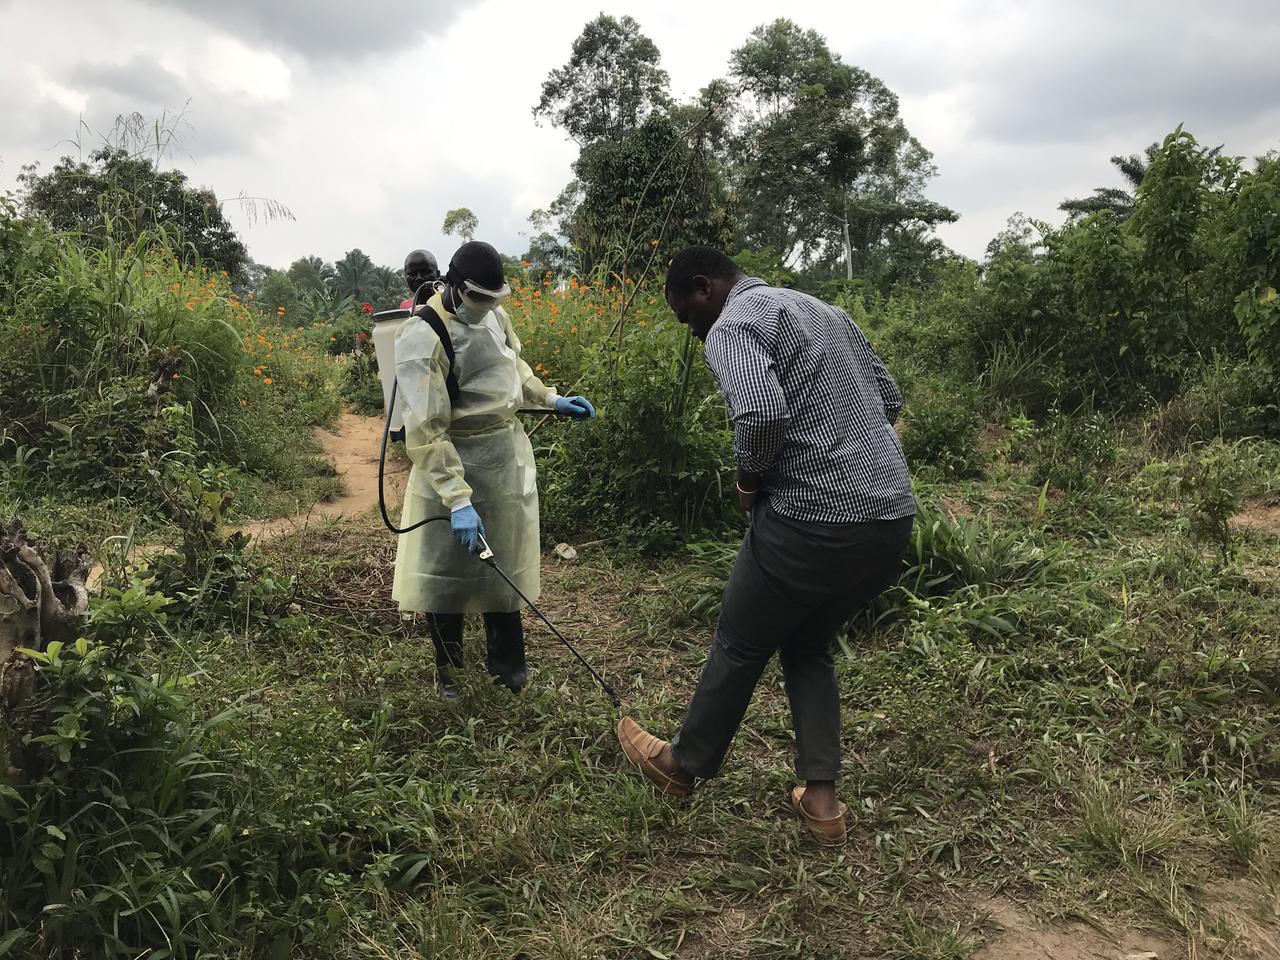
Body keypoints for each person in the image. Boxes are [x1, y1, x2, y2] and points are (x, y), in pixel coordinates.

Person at [616, 246, 915, 844]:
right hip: (890, 517)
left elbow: (759, 412)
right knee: (808, 644)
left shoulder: (733, 325)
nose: (695, 332)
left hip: (813, 520)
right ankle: (822, 803)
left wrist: (750, 480)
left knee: (740, 639)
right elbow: (889, 396)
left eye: (689, 317)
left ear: (705, 289)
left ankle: (680, 766)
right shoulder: (820, 309)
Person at [391, 241, 596, 700]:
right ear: (456, 288)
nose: (487, 309)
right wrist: (457, 499)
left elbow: (513, 369)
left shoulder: (494, 317)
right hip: (448, 464)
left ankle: (508, 670)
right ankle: (451, 674)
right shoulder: (422, 335)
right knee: (445, 573)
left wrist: (548, 398)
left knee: (503, 566)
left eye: (494, 300)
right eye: (480, 300)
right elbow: (425, 427)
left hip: (502, 463)